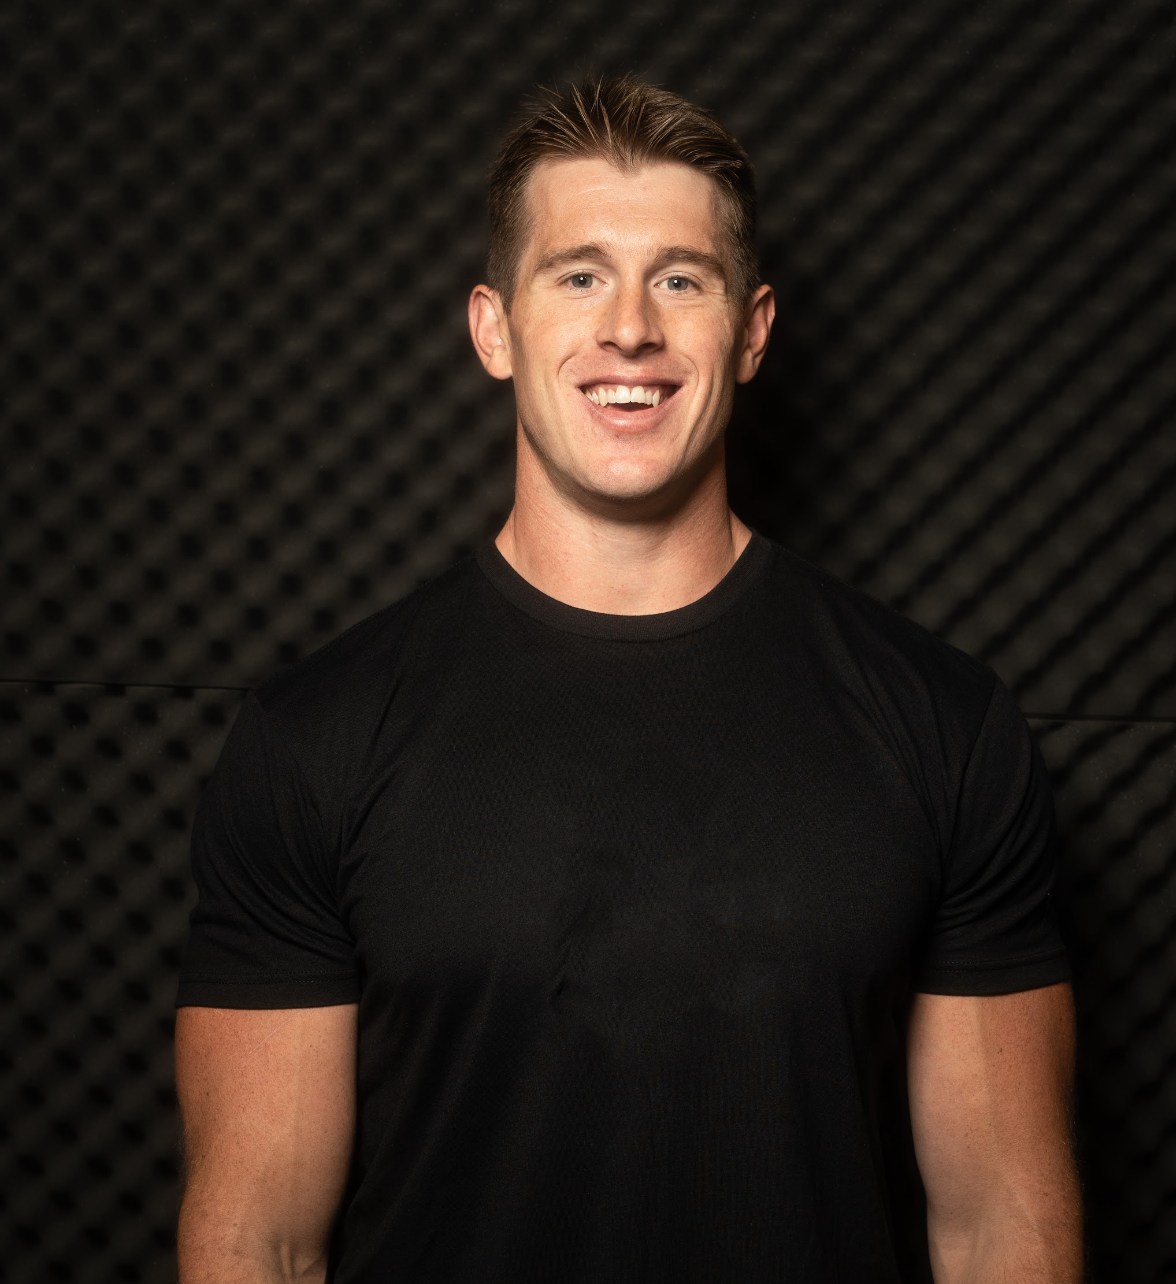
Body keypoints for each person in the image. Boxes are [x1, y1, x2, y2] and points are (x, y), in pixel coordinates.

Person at [174, 74, 1082, 1283]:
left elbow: (1000, 1226)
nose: (631, 330)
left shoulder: (943, 724)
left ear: (751, 333)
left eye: (681, 279)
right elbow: (259, 1244)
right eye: (580, 274)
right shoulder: (315, 738)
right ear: (494, 328)